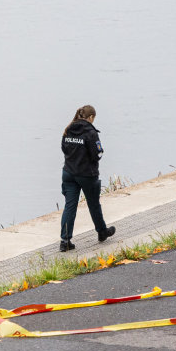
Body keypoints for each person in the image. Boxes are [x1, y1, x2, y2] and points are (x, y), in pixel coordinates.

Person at [59, 105, 115, 252]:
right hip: (86, 175)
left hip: (68, 173)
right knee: (93, 204)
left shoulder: (68, 129)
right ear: (91, 117)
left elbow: (64, 149)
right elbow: (97, 154)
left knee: (70, 206)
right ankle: (102, 232)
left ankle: (65, 241)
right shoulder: (90, 132)